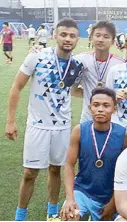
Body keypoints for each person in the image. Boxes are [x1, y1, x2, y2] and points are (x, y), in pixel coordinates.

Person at [5, 18, 83, 221]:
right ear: (55, 36)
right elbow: (16, 87)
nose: (67, 39)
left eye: (72, 35)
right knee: (30, 173)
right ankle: (20, 215)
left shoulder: (77, 65)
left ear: (77, 39)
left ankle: (52, 211)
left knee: (56, 169)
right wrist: (10, 121)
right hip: (37, 126)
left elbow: (74, 91)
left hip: (63, 127)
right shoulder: (37, 57)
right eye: (63, 34)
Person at [60, 88, 127, 221]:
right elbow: (69, 165)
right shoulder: (79, 131)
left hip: (112, 195)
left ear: (114, 109)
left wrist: (113, 203)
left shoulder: (124, 135)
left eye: (106, 105)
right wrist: (70, 198)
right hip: (83, 192)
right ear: (90, 107)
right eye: (96, 105)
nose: (100, 109)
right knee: (69, 217)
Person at [72, 20, 124, 123]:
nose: (101, 40)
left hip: (111, 118)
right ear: (91, 38)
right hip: (88, 117)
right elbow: (73, 90)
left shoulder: (120, 64)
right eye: (98, 35)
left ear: (113, 41)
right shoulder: (80, 60)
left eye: (106, 37)